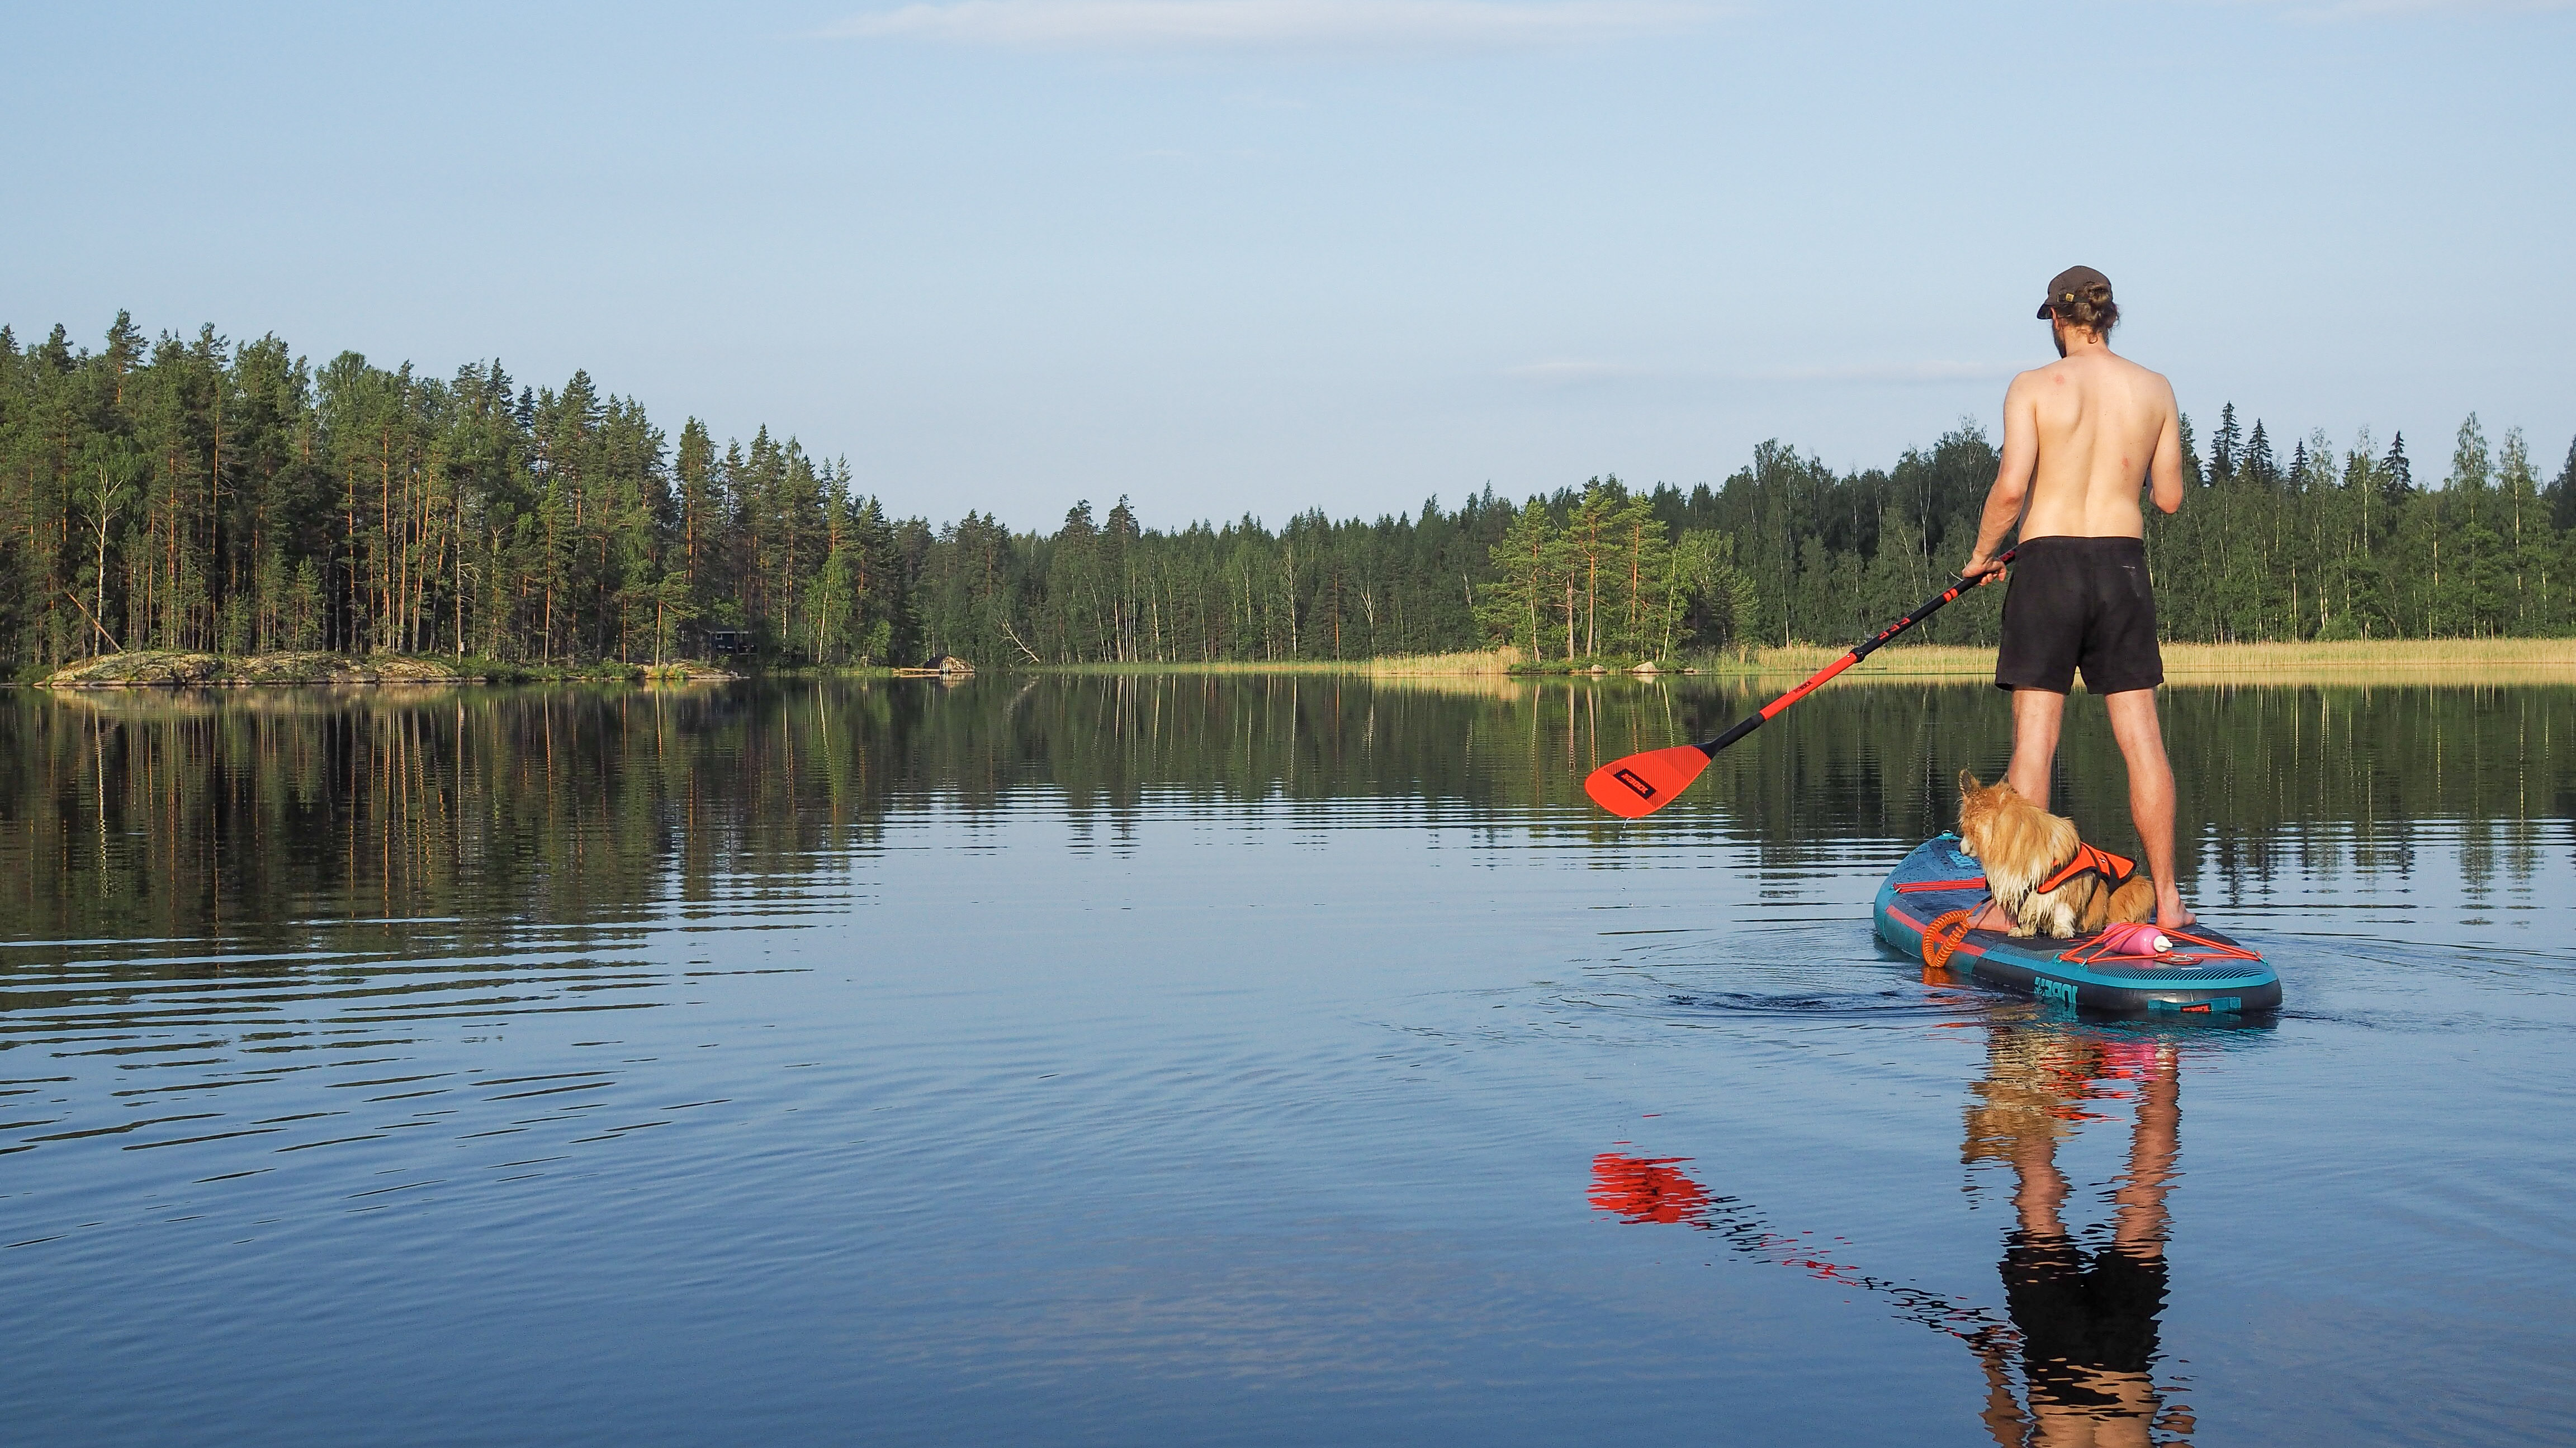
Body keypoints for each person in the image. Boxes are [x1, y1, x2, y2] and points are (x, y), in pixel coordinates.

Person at [1962, 266, 2193, 932]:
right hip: (2121, 568)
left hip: (2049, 565)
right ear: (2108, 317)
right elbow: (2169, 498)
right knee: (2143, 741)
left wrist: (1981, 559)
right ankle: (2170, 901)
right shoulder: (2155, 389)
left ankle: (2013, 909)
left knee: (2035, 744)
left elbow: (2011, 489)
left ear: (2060, 321)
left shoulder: (2035, 387)